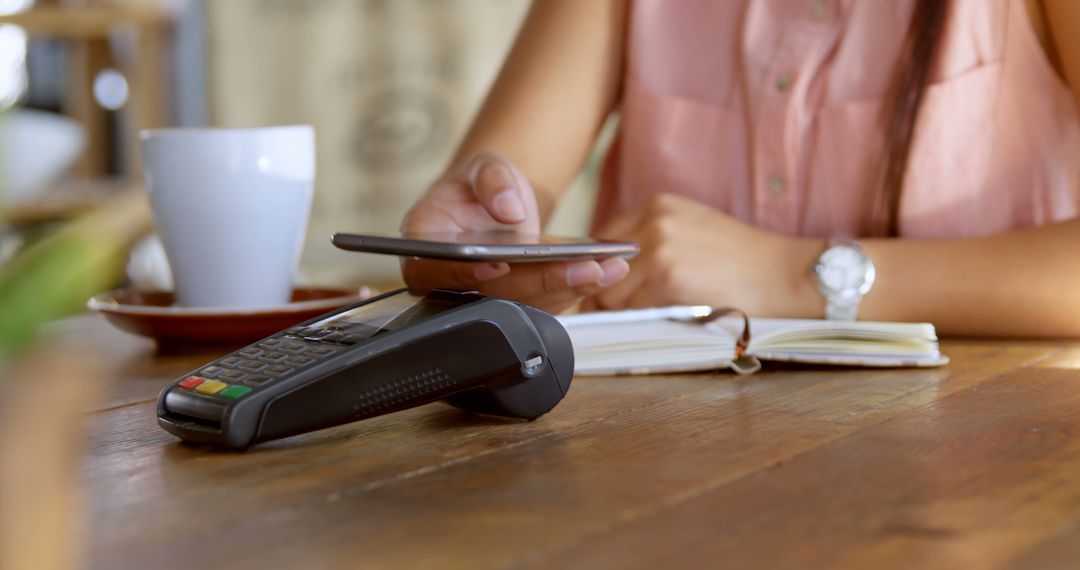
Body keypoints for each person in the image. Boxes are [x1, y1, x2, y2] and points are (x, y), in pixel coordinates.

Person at [401, 0, 1080, 337]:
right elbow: (472, 226)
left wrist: (794, 275)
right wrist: (465, 251)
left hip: (990, 472)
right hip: (657, 472)